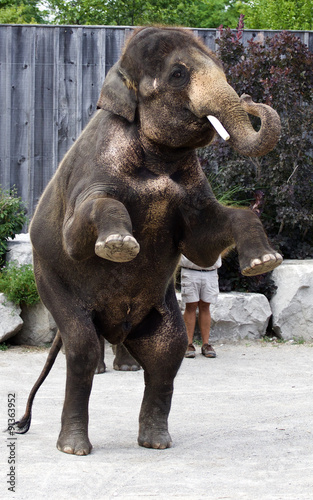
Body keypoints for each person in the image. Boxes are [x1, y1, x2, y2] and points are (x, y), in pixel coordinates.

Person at [180, 254, 221, 358]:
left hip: (210, 271)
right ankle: (188, 344)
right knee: (190, 306)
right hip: (190, 269)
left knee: (205, 306)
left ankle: (206, 344)